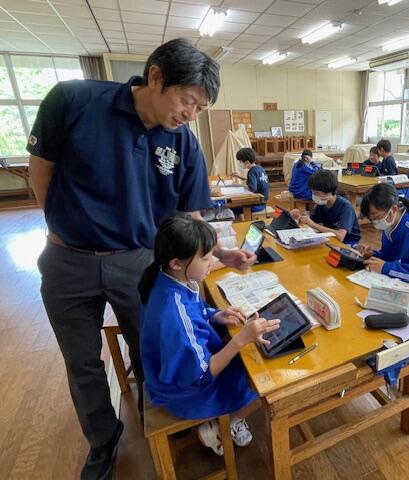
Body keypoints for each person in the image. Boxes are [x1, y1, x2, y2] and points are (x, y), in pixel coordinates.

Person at [27, 38, 255, 479]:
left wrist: (219, 251)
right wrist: (57, 222)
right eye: (187, 100)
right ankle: (103, 441)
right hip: (67, 260)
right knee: (82, 361)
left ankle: (161, 421)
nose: (190, 114)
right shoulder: (75, 101)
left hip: (138, 260)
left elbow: (190, 217)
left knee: (153, 346)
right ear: (155, 77)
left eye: (200, 108)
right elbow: (42, 167)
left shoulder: (183, 142)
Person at [139, 215, 280, 455]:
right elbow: (202, 374)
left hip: (175, 376)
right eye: (205, 258)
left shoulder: (169, 280)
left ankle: (226, 418)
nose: (211, 263)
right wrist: (241, 339)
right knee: (266, 377)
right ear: (176, 263)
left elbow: (194, 309)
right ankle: (229, 423)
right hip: (185, 394)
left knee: (252, 355)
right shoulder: (174, 313)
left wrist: (215, 314)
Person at [357, 183, 409, 287]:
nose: (375, 223)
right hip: (399, 284)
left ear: (393, 210)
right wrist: (373, 255)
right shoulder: (389, 226)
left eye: (377, 218)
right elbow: (392, 258)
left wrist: (386, 268)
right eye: (372, 220)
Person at [290, 169, 360, 246]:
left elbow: (340, 236)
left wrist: (313, 224)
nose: (313, 195)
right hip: (330, 238)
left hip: (348, 242)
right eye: (312, 192)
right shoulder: (322, 203)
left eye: (316, 193)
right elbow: (312, 220)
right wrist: (299, 217)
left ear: (329, 191)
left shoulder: (345, 207)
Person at [230, 147, 269, 213]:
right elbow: (252, 181)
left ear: (247, 162)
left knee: (232, 208)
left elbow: (252, 188)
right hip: (263, 202)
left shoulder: (251, 171)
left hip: (256, 205)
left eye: (240, 162)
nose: (240, 164)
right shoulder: (259, 168)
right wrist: (238, 176)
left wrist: (239, 186)